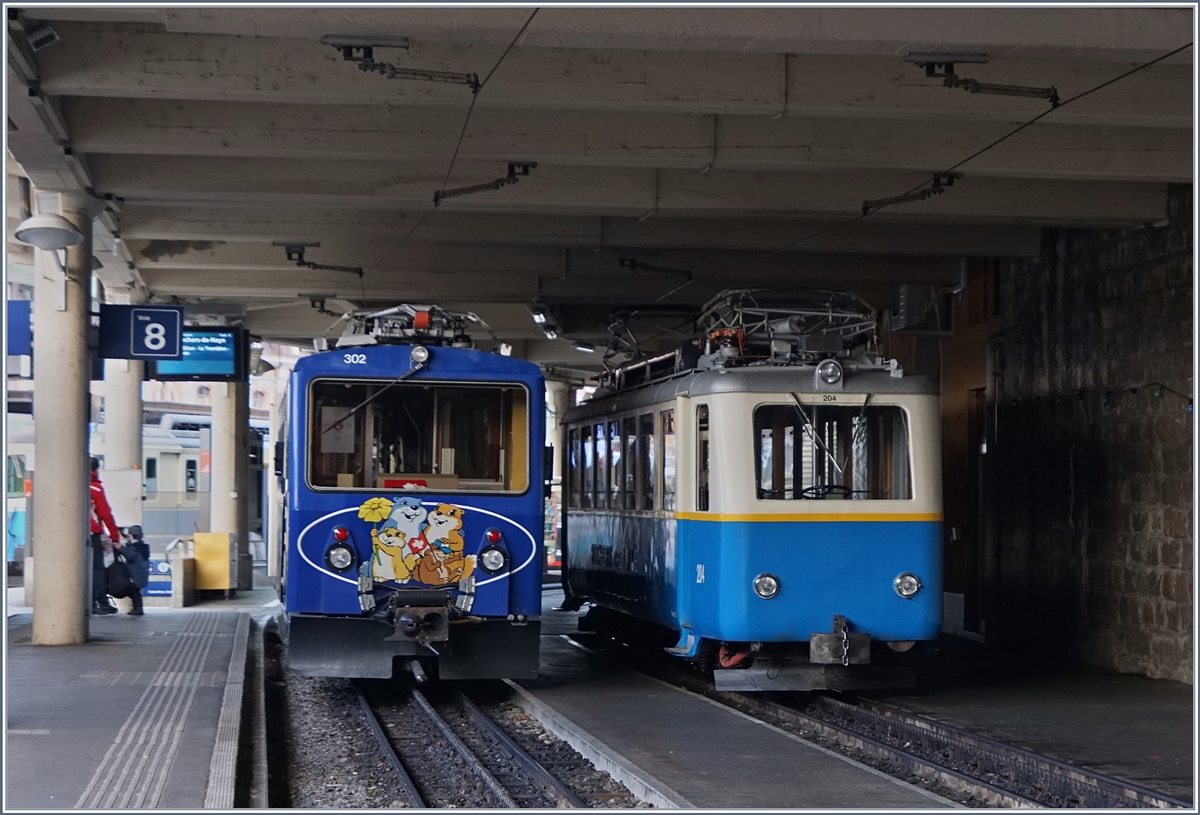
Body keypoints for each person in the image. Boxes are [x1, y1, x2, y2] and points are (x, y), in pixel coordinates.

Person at [89, 457, 123, 615]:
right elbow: (105, 513)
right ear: (95, 469)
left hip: (70, 535)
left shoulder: (71, 483)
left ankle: (83, 601)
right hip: (92, 534)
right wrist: (114, 536)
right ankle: (100, 601)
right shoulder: (95, 488)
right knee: (97, 568)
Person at [110, 525, 148, 616]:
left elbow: (130, 555)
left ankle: (138, 608)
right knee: (136, 592)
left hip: (135, 575)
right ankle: (137, 608)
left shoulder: (136, 548)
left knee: (133, 591)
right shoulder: (142, 547)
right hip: (138, 574)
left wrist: (120, 547)